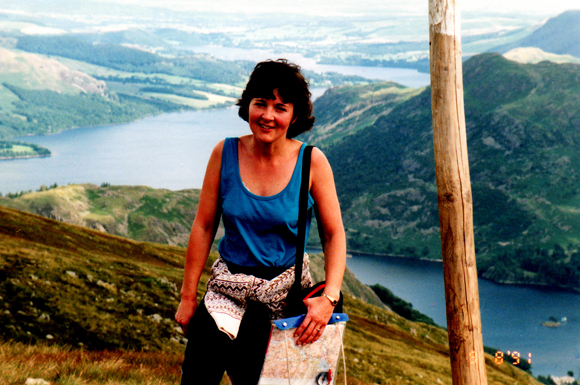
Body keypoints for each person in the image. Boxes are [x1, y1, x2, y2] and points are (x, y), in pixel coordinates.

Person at [175, 59, 346, 385]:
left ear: (294, 116)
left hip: (285, 302)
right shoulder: (224, 153)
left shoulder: (312, 162)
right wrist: (187, 297)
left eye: (280, 107)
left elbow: (334, 233)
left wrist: (329, 298)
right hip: (226, 293)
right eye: (260, 104)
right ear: (248, 105)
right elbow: (204, 227)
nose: (268, 115)